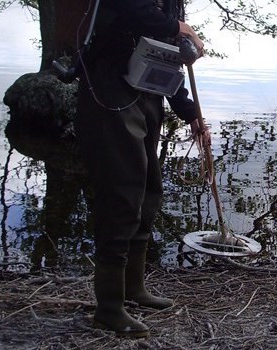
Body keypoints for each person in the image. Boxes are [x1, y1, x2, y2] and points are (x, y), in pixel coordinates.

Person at [74, 0, 206, 338]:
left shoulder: (170, 5)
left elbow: (167, 57)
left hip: (147, 95)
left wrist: (189, 111)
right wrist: (180, 28)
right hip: (109, 92)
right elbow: (135, 10)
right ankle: (109, 308)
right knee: (122, 197)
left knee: (148, 192)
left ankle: (134, 288)